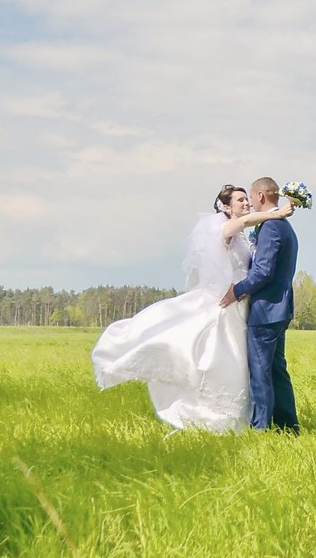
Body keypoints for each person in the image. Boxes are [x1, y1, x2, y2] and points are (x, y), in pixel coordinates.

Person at [92, 184, 292, 433]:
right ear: (226, 207)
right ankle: (220, 414)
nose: (246, 204)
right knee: (220, 359)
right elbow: (248, 221)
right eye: (240, 200)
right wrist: (276, 213)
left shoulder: (246, 235)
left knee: (242, 364)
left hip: (243, 304)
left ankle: (248, 417)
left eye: (246, 199)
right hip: (229, 301)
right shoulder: (226, 228)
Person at [220, 176, 300, 433]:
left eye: (251, 198)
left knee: (261, 371)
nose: (251, 204)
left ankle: (261, 428)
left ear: (261, 197)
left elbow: (263, 271)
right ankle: (289, 426)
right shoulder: (284, 226)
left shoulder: (271, 227)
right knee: (277, 369)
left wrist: (237, 291)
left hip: (266, 310)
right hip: (280, 308)